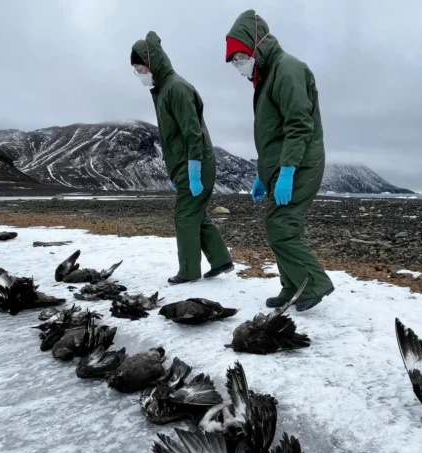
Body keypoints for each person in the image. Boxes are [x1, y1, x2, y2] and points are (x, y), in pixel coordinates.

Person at [225, 10, 334, 312]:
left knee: (281, 225)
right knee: (281, 226)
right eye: (233, 60)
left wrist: (287, 171)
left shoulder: (287, 69)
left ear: (257, 46)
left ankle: (314, 283)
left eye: (241, 56)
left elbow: (298, 124)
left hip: (300, 163)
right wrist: (263, 174)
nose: (238, 65)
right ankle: (292, 286)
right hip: (282, 166)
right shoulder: (267, 76)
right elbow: (271, 136)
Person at [131, 31, 234, 285]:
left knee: (185, 216)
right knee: (196, 213)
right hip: (187, 165)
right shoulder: (164, 90)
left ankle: (188, 271)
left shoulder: (176, 88)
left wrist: (194, 169)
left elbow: (191, 132)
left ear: (153, 63)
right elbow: (173, 139)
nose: (140, 74)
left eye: (141, 67)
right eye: (136, 69)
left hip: (196, 163)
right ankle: (221, 260)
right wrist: (175, 172)